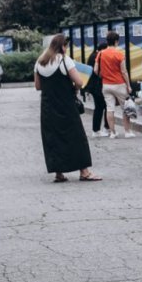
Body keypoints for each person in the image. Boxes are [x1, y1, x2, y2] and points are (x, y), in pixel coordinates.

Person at [34, 34, 101, 183]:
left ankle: (59, 173)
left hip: (48, 106)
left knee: (53, 138)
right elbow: (79, 82)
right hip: (66, 104)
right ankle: (84, 172)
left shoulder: (40, 62)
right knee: (76, 136)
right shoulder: (65, 60)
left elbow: (38, 86)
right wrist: (74, 88)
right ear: (62, 46)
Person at [96, 31, 135, 138]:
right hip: (119, 84)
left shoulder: (100, 53)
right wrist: (128, 85)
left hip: (106, 85)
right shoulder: (119, 54)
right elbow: (124, 71)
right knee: (125, 108)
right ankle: (127, 132)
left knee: (110, 109)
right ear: (116, 41)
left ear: (107, 41)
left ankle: (112, 133)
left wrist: (104, 75)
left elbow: (95, 70)